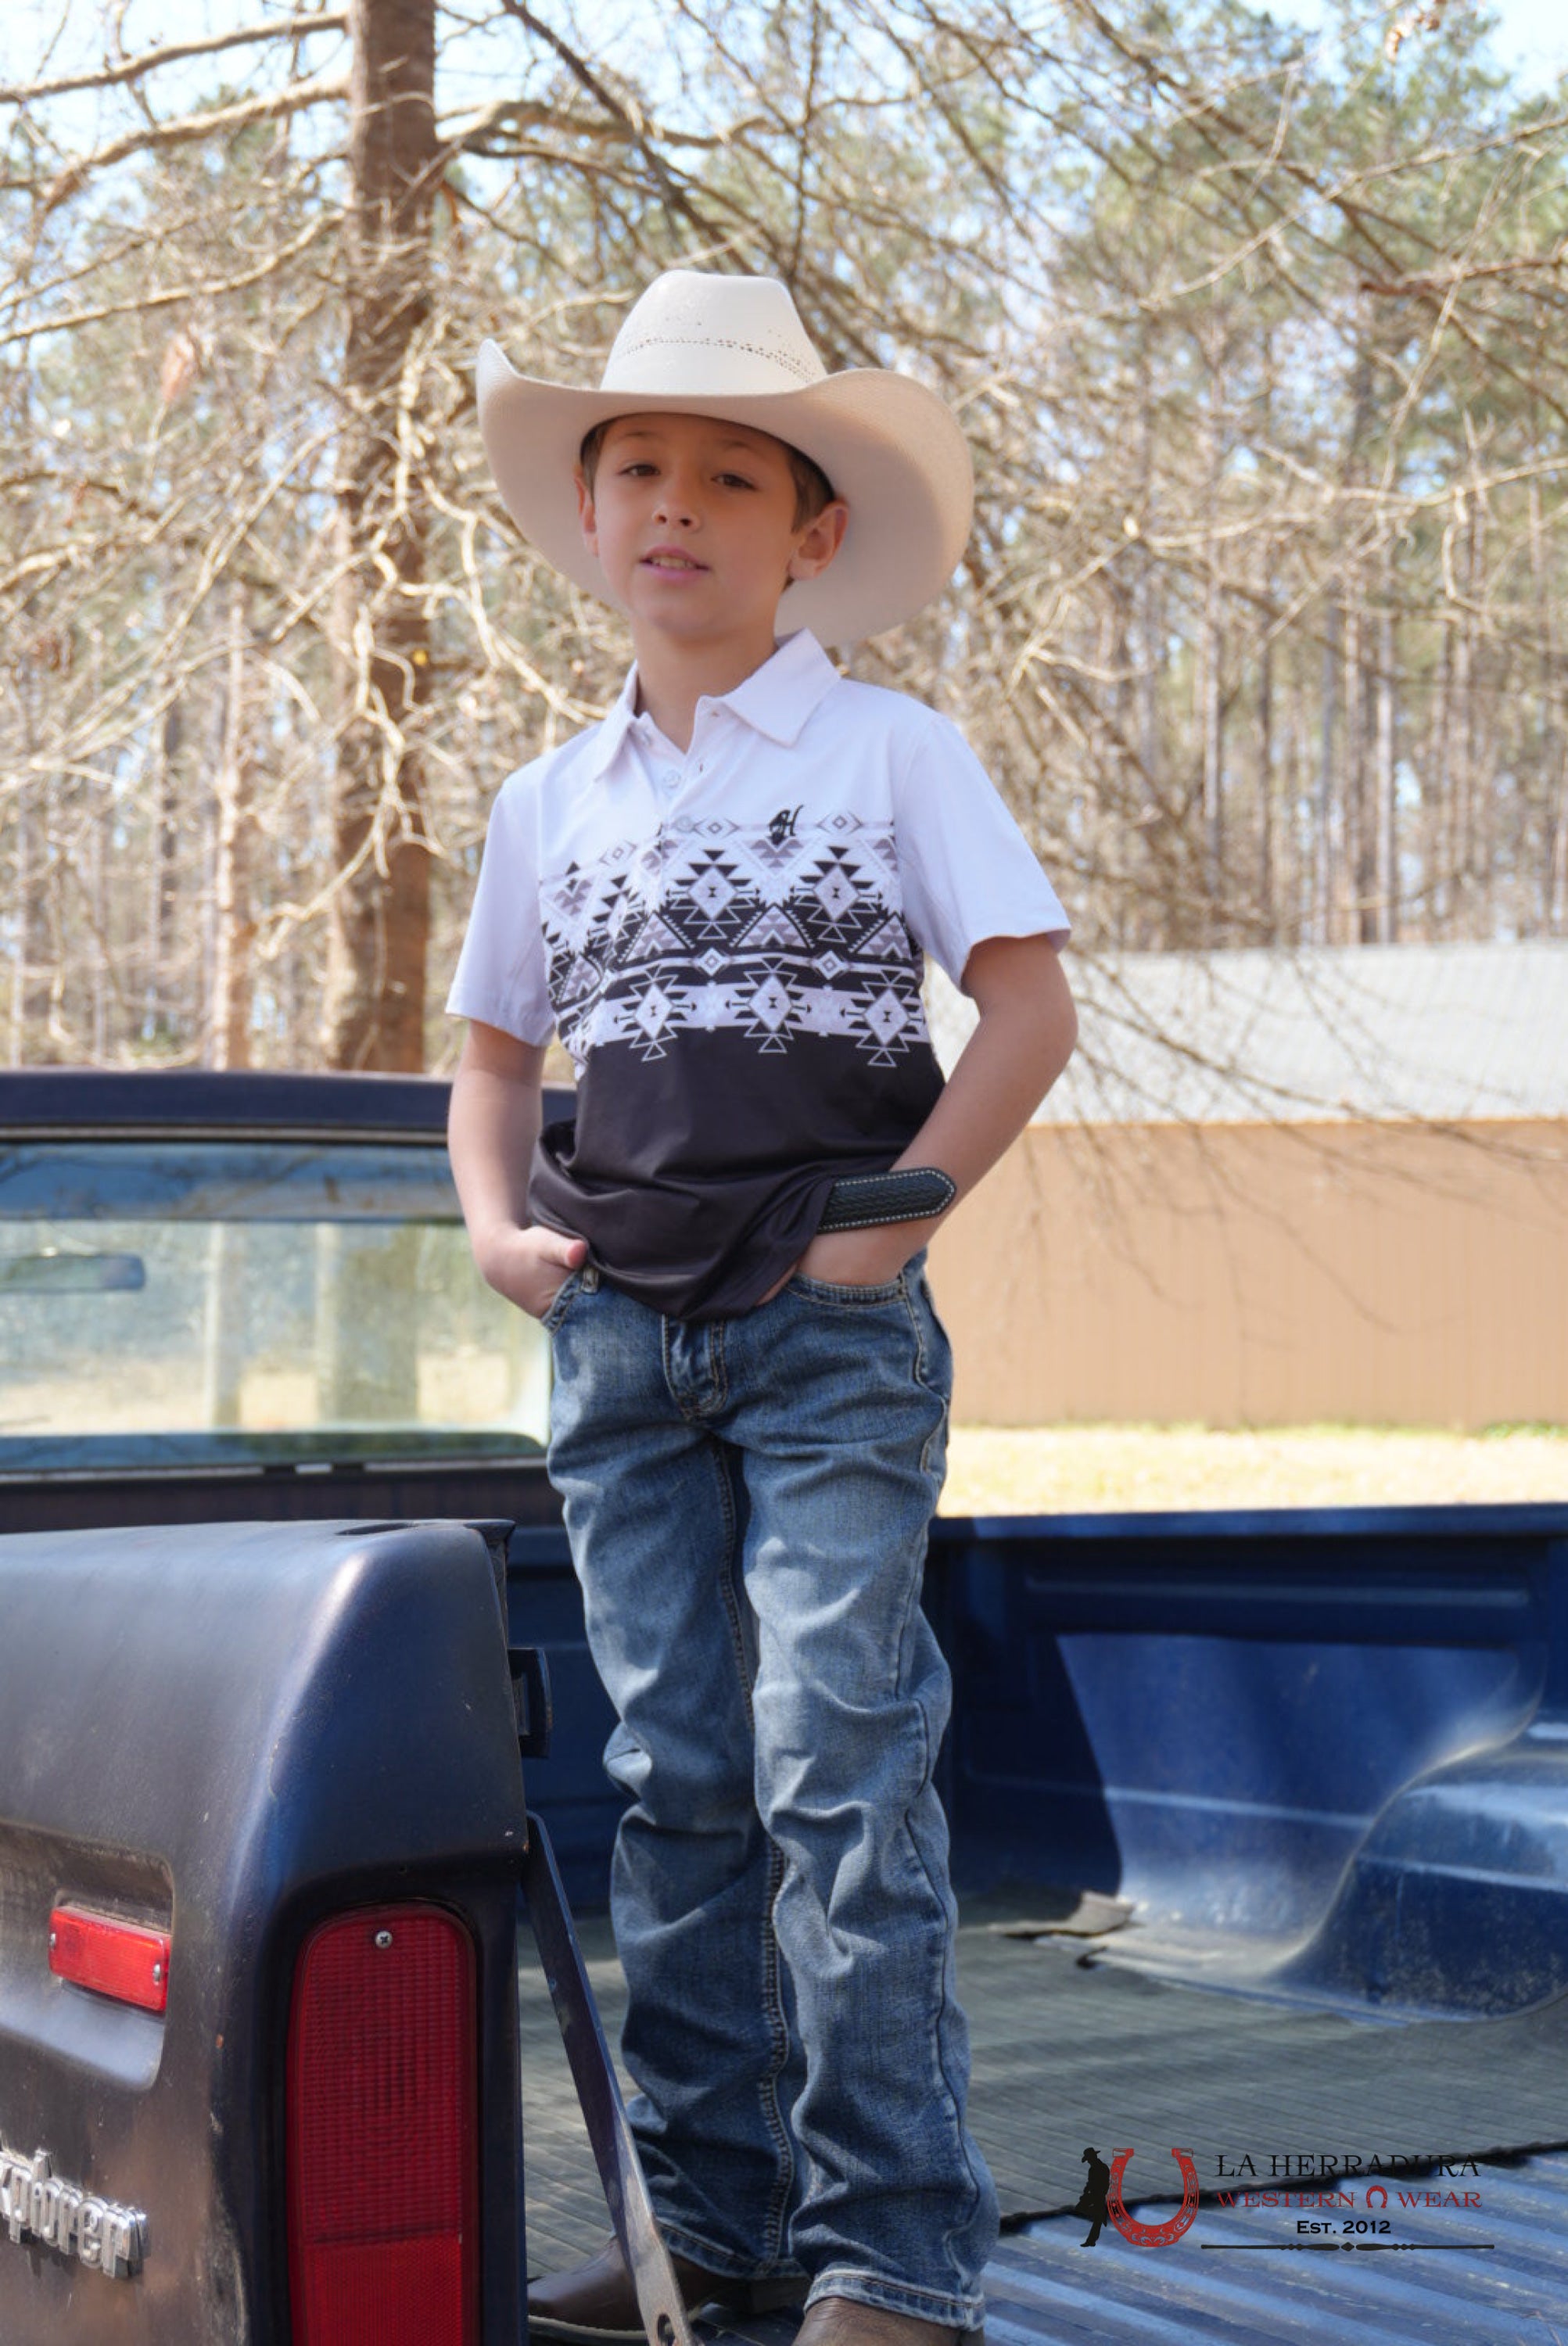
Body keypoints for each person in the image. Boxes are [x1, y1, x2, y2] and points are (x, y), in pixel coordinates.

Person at [446, 268, 1077, 2346]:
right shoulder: (552, 805)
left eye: (735, 473)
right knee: (674, 1783)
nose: (678, 505)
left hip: (822, 1341)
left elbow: (1028, 1007)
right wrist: (491, 1227)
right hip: (621, 1343)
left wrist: (888, 1225)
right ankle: (709, 2235)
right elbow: (491, 1063)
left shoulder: (890, 754)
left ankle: (891, 2254)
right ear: (593, 514)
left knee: (838, 1771)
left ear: (815, 535)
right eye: (640, 468)